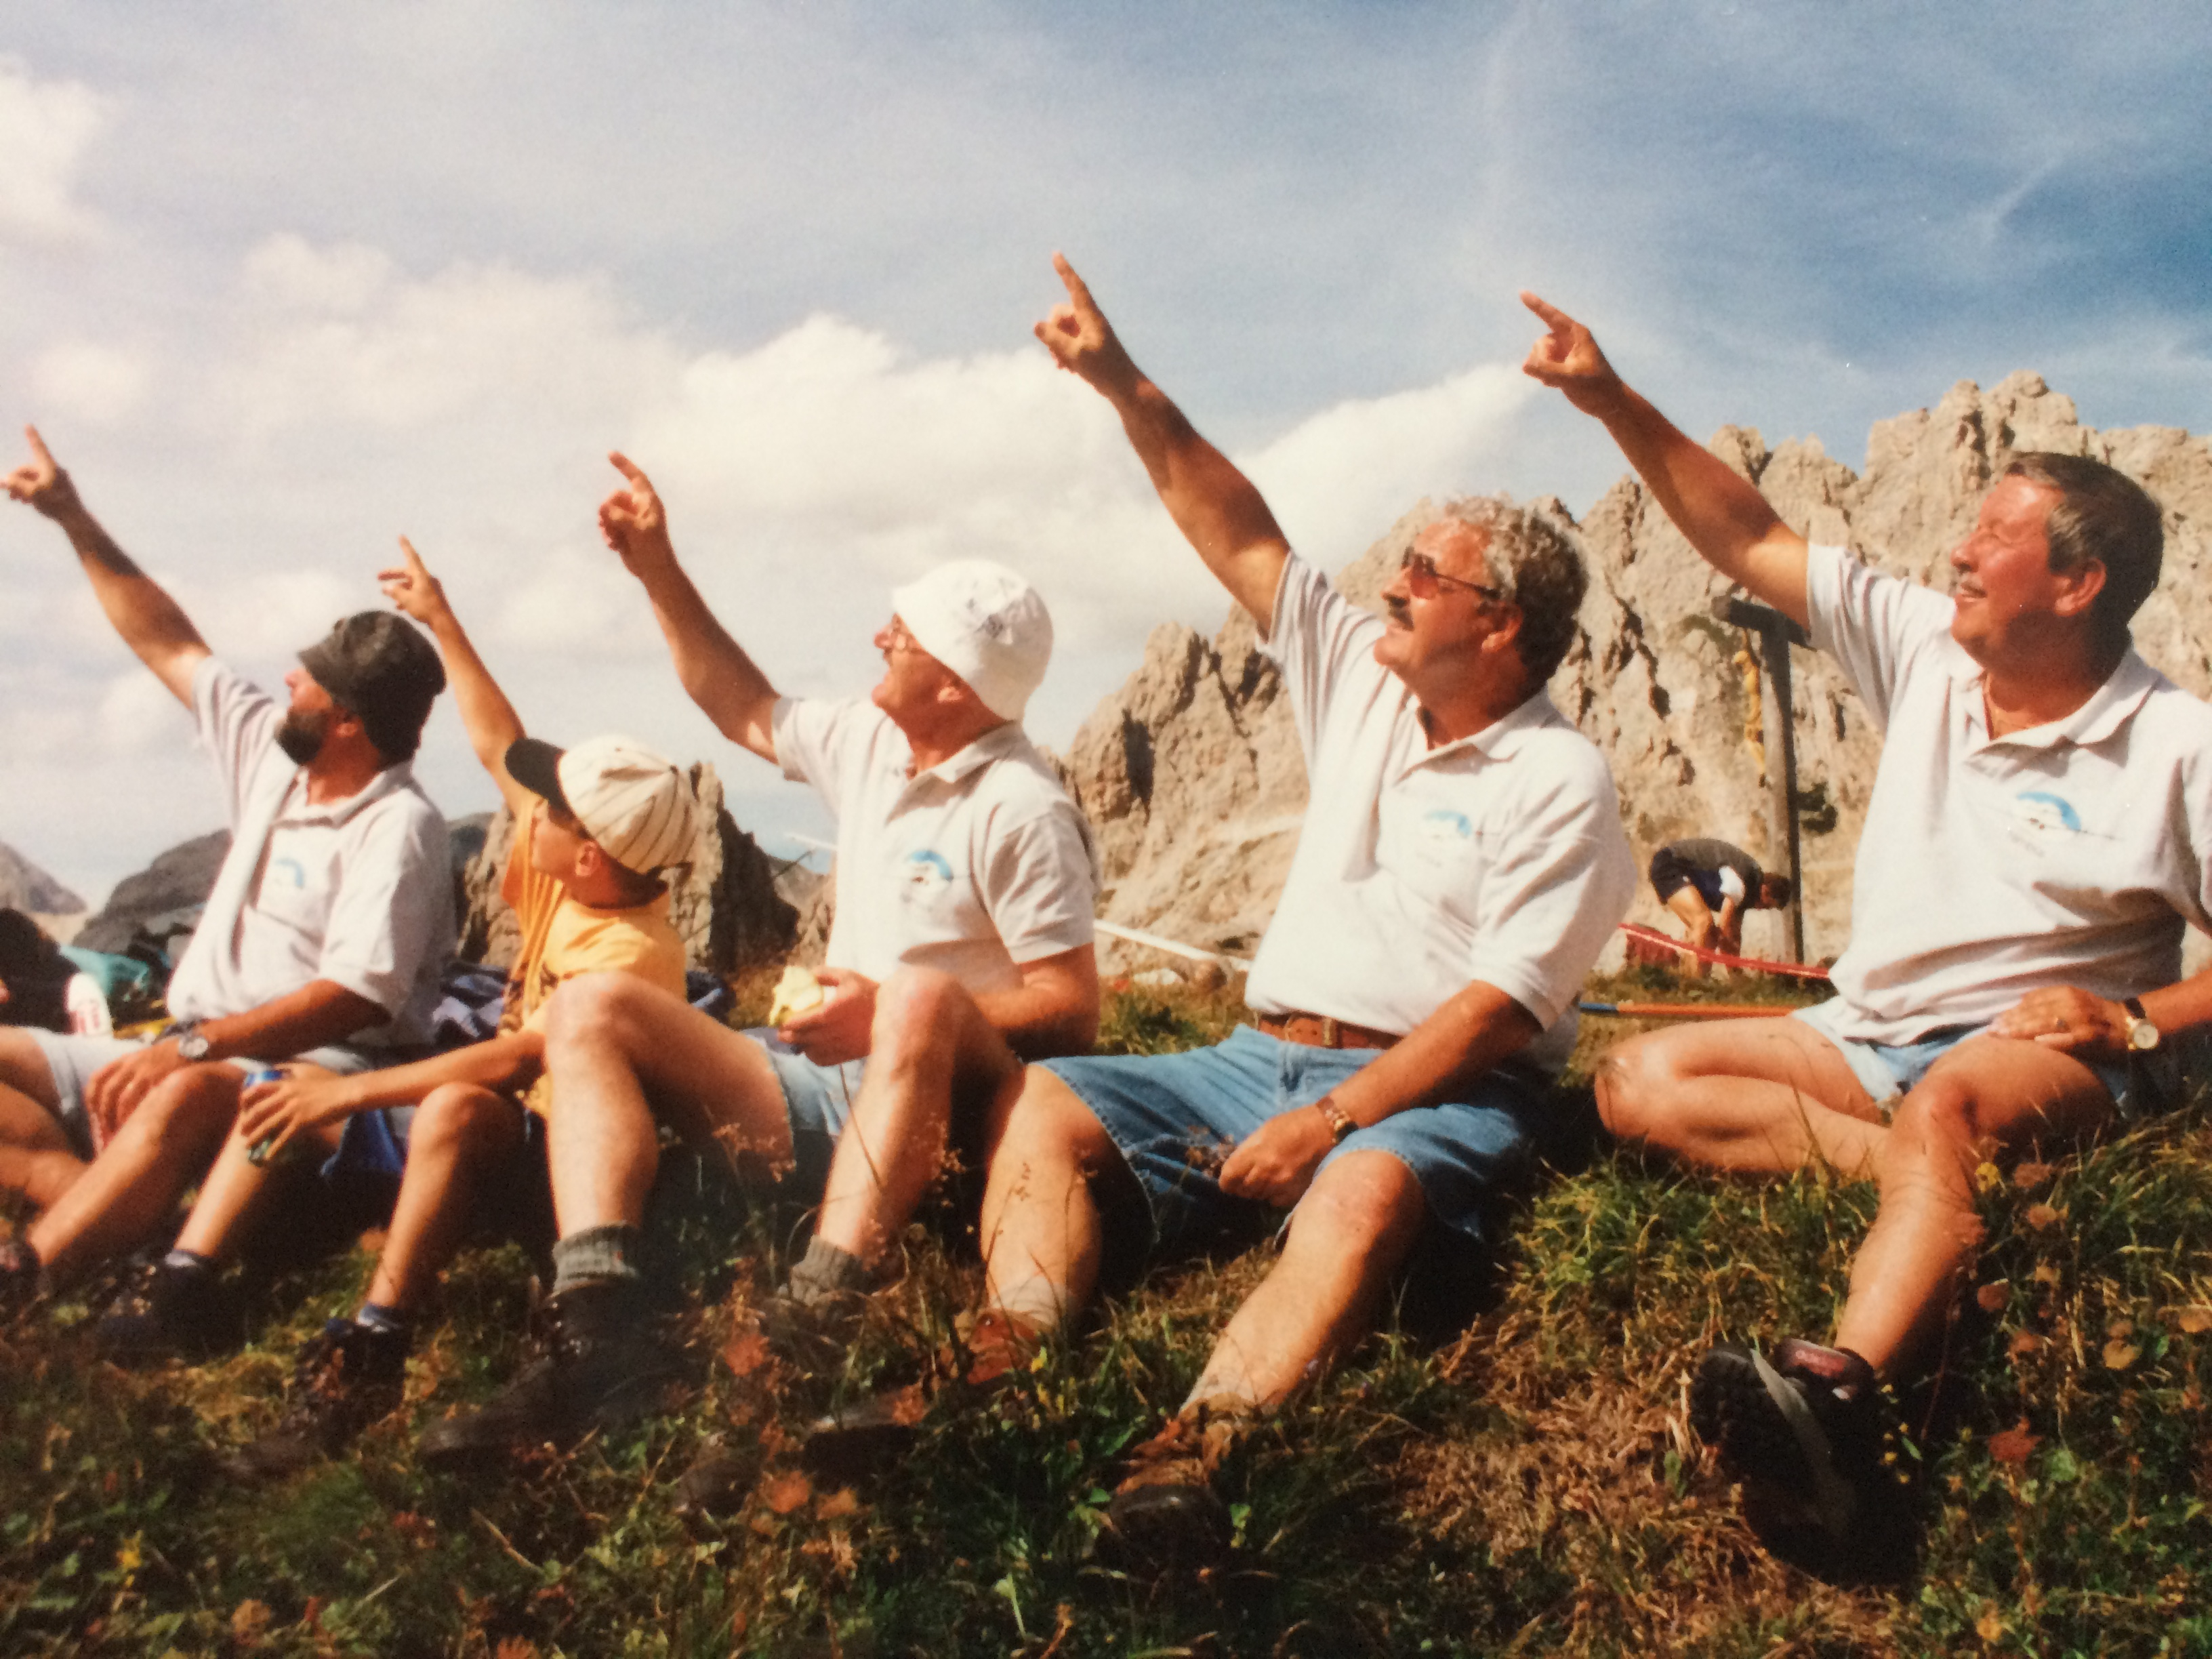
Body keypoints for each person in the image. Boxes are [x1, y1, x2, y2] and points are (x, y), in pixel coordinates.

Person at [808, 256, 1635, 1563]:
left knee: (1360, 1192)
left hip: (1428, 1088)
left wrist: (1329, 1118)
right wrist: (1115, 379)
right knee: (1047, 1103)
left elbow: (1492, 1013)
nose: (1394, 582)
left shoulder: (1562, 777)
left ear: (1500, 622)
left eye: (1425, 571)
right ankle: (1004, 1356)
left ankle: (1195, 1448)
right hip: (1254, 1053)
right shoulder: (1362, 684)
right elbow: (1237, 528)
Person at [1522, 293, 2212, 1547]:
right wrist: (1607, 396)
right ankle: (1947, 1192)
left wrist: (2128, 1016)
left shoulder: (2175, 744)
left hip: (2024, 1053)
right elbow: (1749, 538)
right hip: (1861, 1030)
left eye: (1990, 535)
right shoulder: (1925, 651)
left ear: (2075, 581)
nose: (1952, 551)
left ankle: (1844, 1388)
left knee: (1948, 1101)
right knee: (1635, 1078)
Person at [415, 452, 1102, 1464]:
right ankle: (597, 1332)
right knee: (591, 1007)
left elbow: (1070, 1009)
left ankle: (814, 1320)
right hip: (815, 1083)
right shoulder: (877, 742)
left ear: (953, 686)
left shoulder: (1024, 809)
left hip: (931, 1110)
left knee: (915, 998)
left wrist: (890, 1018)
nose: (880, 636)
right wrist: (656, 567)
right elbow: (736, 700)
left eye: (902, 635)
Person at [108, 538, 694, 1480]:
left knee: (451, 1107)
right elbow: (498, 740)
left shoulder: (629, 953)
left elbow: (512, 1067)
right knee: (282, 1081)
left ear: (589, 853)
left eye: (548, 812)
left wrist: (342, 1101)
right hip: (477, 1125)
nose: (524, 812)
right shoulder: (572, 884)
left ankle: (372, 1343)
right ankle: (184, 1277)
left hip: (552, 1157)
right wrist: (443, 619)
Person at [0, 428, 452, 1313]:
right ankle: (118, 1210)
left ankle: (27, 1288)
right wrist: (71, 517)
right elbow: (167, 641)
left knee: (185, 1099)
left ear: (350, 720)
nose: (287, 679)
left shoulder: (400, 827)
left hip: (301, 1075)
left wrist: (196, 1046)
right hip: (191, 1046)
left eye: (310, 680)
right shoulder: (275, 757)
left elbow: (355, 999)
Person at [1647, 836, 1793, 970]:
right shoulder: (1742, 884)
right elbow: (1724, 932)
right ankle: (1695, 985)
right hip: (1670, 864)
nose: (1761, 909)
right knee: (1704, 921)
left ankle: (1692, 981)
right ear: (1765, 890)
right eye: (1766, 905)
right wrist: (1735, 970)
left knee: (1708, 934)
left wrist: (1737, 978)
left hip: (1684, 872)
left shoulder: (1746, 896)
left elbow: (1732, 939)